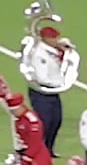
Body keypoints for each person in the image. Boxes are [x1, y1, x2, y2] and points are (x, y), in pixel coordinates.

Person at [18, 22, 79, 157]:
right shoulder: (40, 54)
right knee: (44, 122)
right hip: (41, 92)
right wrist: (58, 84)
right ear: (45, 39)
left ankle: (48, 149)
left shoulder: (53, 49)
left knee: (56, 120)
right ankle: (33, 150)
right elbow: (42, 77)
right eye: (53, 38)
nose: (55, 40)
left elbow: (67, 49)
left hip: (52, 91)